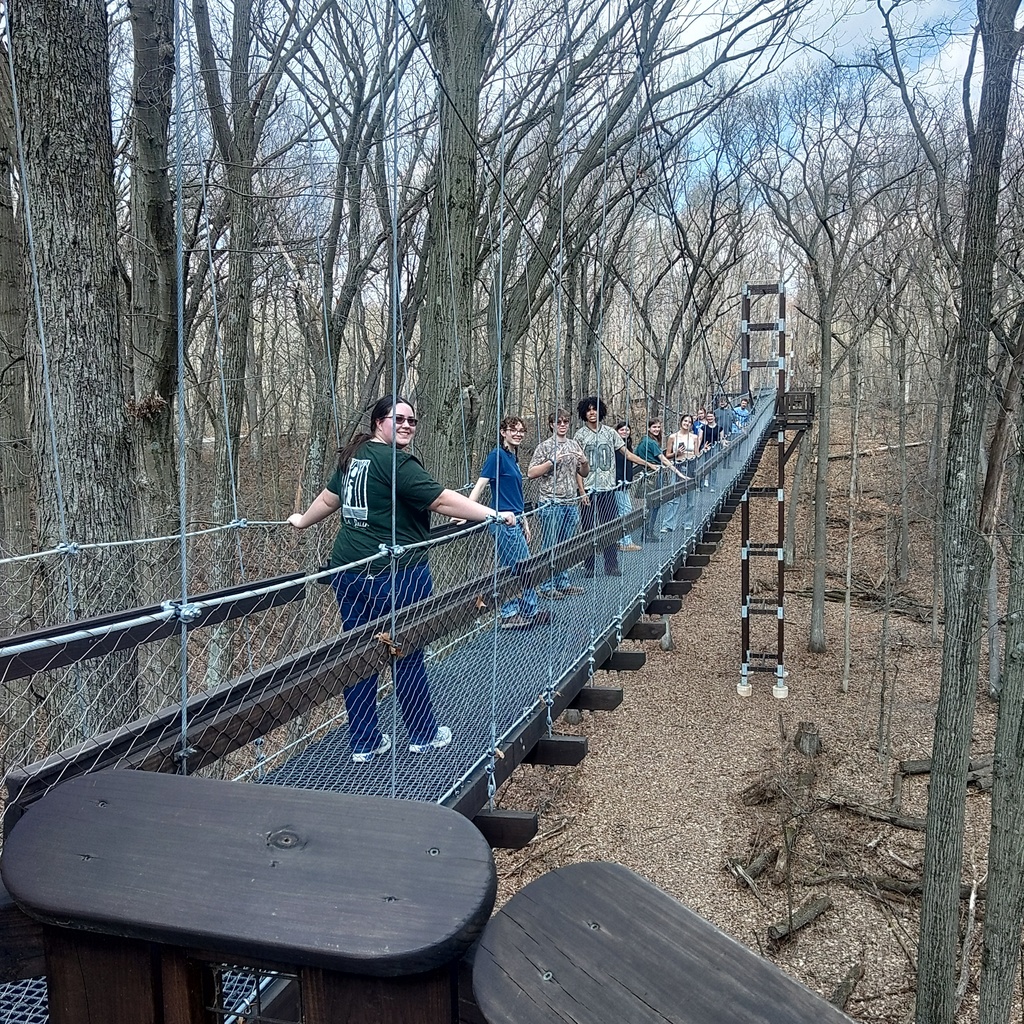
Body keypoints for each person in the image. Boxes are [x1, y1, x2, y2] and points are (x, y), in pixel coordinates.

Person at [288, 396, 515, 763]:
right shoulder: (396, 462)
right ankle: (423, 735)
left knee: (357, 656)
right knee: (406, 651)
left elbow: (330, 501)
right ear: (380, 422)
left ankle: (364, 741)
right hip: (397, 574)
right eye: (399, 419)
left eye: (412, 419)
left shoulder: (357, 456)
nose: (408, 425)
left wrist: (302, 520)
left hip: (347, 570)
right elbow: (440, 501)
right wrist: (492, 514)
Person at [468, 416, 550, 630]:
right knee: (520, 567)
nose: (518, 434)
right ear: (503, 432)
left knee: (519, 566)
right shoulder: (496, 455)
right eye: (513, 430)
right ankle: (510, 613)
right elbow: (481, 484)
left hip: (516, 519)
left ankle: (527, 610)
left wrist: (525, 521)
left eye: (521, 430)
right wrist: (464, 510)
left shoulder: (512, 457)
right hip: (502, 521)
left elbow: (516, 493)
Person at [574, 397, 658, 577]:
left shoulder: (610, 433)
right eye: (588, 410)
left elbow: (627, 454)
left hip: (607, 489)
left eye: (594, 409)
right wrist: (581, 492)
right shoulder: (579, 435)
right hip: (588, 490)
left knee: (610, 529)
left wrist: (648, 464)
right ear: (584, 413)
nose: (592, 413)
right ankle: (589, 566)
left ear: (600, 411)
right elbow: (577, 466)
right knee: (588, 529)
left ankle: (611, 565)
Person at [527, 408, 589, 599]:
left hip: (571, 502)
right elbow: (531, 473)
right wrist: (551, 462)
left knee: (566, 546)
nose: (562, 425)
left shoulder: (574, 445)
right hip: (550, 502)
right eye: (558, 422)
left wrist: (585, 462)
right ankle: (546, 586)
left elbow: (584, 473)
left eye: (565, 422)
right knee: (550, 545)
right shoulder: (544, 447)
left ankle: (563, 582)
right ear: (551, 424)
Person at [634, 418, 688, 540]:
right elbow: (663, 459)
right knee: (654, 504)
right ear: (648, 428)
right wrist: (678, 473)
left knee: (649, 505)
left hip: (645, 474)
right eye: (654, 427)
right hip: (654, 475)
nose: (657, 429)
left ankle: (646, 532)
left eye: (658, 427)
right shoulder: (652, 443)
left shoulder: (643, 441)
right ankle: (648, 533)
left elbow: (636, 455)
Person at [661, 415, 699, 531]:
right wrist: (676, 453)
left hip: (691, 467)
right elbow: (667, 455)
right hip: (677, 467)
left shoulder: (695, 437)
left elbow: (697, 454)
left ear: (691, 425)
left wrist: (703, 452)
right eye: (685, 421)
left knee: (690, 500)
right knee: (674, 498)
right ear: (681, 422)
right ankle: (668, 525)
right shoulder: (673, 437)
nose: (687, 423)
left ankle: (687, 523)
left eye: (689, 422)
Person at [613, 422, 642, 552]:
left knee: (624, 511)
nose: (625, 431)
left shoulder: (628, 446)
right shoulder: (614, 446)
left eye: (627, 429)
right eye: (622, 429)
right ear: (617, 432)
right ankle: (624, 542)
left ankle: (622, 541)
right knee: (624, 511)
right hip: (617, 484)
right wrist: (648, 464)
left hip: (625, 484)